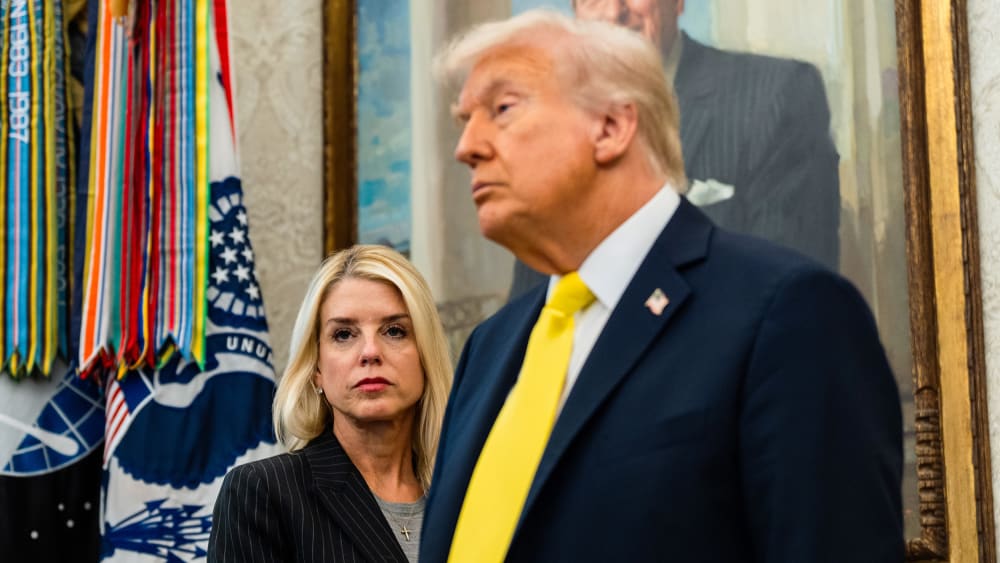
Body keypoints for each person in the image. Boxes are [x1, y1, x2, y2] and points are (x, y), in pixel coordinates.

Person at [421, 10, 902, 562]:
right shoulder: (489, 349)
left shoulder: (789, 315)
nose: (467, 146)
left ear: (611, 126)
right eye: (464, 119)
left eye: (501, 109)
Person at [509, 0, 840, 300]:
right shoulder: (555, 128)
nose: (613, 12)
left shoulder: (776, 96)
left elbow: (790, 295)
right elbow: (530, 310)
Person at [208, 245, 452, 563]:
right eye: (343, 334)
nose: (370, 352)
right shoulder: (264, 493)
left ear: (425, 355)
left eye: (394, 330)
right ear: (317, 369)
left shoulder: (468, 492)